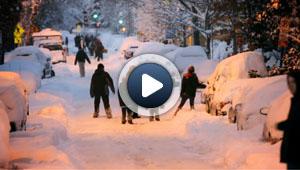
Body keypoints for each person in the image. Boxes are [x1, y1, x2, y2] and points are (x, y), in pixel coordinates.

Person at [277, 71, 300, 169]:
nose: (290, 86)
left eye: (293, 82)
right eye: (288, 83)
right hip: (293, 152)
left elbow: (296, 123)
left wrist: (284, 125)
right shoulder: (296, 99)